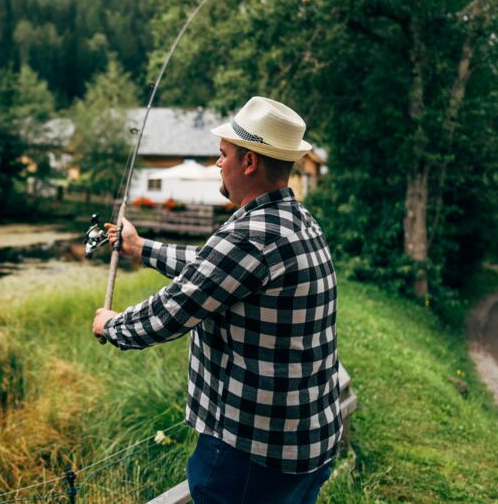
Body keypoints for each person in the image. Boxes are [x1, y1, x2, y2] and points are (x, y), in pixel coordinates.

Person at [92, 96, 340, 504]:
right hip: (307, 445)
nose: (216, 165)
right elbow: (215, 270)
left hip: (252, 455)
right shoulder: (297, 220)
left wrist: (111, 325)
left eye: (222, 155)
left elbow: (173, 310)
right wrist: (141, 248)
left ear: (249, 162)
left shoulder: (248, 236)